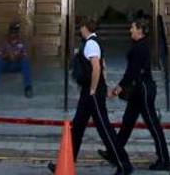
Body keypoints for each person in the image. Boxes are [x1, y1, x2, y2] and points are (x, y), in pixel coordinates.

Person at [50, 16, 131, 175]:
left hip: (92, 92)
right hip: (89, 92)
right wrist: (102, 86)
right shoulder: (92, 43)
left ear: (85, 28)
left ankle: (123, 164)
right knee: (77, 126)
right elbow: (103, 66)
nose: (80, 30)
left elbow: (97, 68)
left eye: (81, 27)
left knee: (104, 128)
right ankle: (66, 161)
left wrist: (94, 89)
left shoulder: (91, 44)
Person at [101, 18, 170, 171]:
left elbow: (132, 71)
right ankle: (114, 152)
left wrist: (118, 88)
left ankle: (164, 159)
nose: (130, 30)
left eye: (132, 27)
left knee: (153, 124)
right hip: (137, 90)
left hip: (143, 89)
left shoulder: (141, 47)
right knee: (127, 122)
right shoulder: (139, 45)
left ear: (140, 30)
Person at [0, 21, 33, 98]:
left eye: (15, 32)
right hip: (7, 65)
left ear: (18, 32)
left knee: (25, 62)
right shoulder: (4, 42)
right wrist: (7, 55)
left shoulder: (22, 42)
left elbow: (25, 55)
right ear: (9, 31)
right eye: (12, 31)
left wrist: (17, 56)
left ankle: (28, 88)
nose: (13, 34)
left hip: (17, 65)